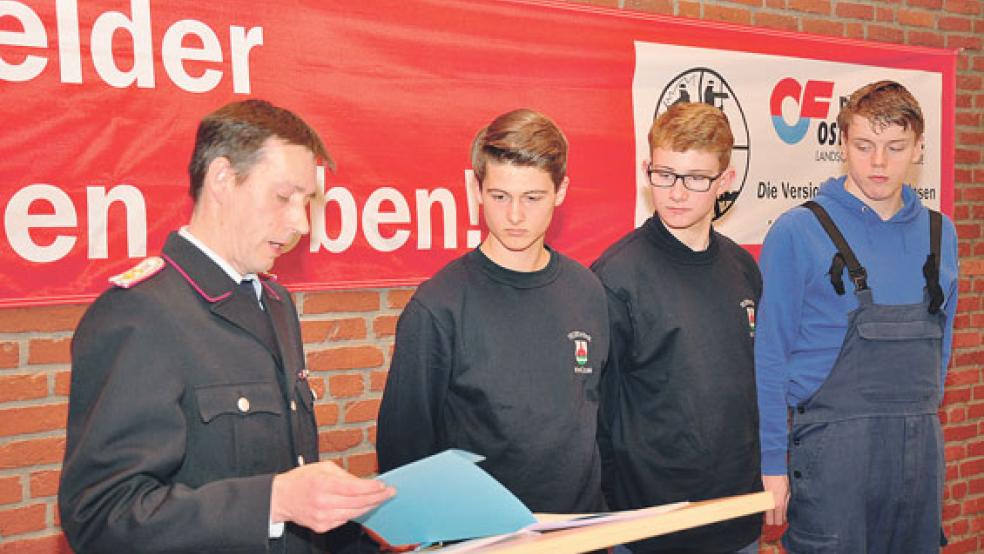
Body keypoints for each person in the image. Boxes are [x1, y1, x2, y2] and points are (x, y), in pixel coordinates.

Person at [59, 99, 394, 554]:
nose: (299, 222)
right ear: (222, 179)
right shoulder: (140, 314)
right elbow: (102, 518)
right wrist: (272, 502)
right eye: (284, 197)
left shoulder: (274, 302)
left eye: (307, 201)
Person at [756, 80, 959, 553]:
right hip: (833, 456)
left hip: (919, 453)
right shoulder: (798, 231)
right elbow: (768, 357)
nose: (879, 163)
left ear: (919, 147)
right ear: (842, 144)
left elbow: (941, 347)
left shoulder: (940, 232)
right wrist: (772, 466)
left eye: (895, 147)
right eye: (865, 146)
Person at [376, 108, 609, 514]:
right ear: (476, 188)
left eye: (532, 198)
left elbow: (596, 423)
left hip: (580, 534)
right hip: (482, 539)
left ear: (561, 191)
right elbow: (404, 456)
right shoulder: (438, 307)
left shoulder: (587, 291)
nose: (515, 215)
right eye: (500, 196)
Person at [591, 102, 763, 553]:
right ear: (648, 169)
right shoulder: (616, 276)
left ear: (725, 180)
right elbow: (596, 414)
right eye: (664, 174)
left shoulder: (743, 268)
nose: (677, 193)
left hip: (737, 519)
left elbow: (753, 392)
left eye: (695, 178)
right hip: (650, 528)